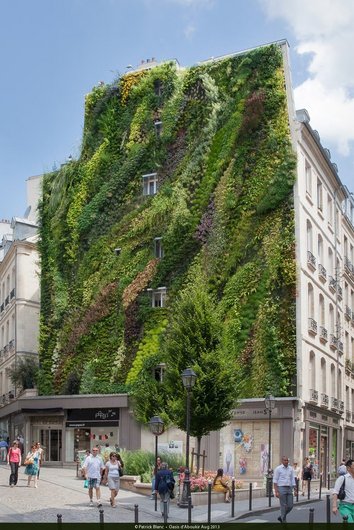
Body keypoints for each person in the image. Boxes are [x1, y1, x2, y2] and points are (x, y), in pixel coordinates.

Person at [273, 456, 296, 523]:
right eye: (285, 460)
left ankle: (281, 516)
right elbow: (275, 480)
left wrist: (295, 489)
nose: (286, 461)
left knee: (290, 506)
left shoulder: (291, 469)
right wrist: (276, 491)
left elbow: (292, 479)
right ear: (282, 461)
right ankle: (283, 520)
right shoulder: (278, 469)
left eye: (287, 460)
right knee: (283, 505)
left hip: (289, 488)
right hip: (281, 488)